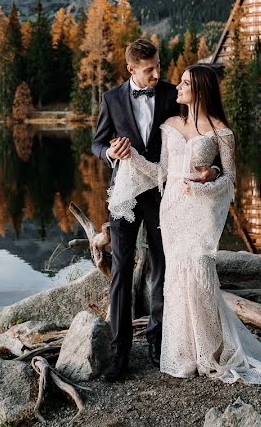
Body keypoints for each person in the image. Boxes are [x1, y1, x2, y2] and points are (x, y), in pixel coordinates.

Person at [108, 64, 261, 383]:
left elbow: (231, 177)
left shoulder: (222, 131)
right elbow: (161, 174)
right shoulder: (170, 126)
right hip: (173, 211)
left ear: (201, 90)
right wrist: (131, 159)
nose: (176, 86)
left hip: (200, 210)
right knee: (176, 279)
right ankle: (184, 352)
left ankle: (214, 350)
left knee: (201, 273)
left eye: (184, 83)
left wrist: (213, 176)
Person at [91, 39, 216, 381]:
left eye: (159, 66)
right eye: (150, 70)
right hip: (126, 195)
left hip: (164, 193)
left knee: (163, 268)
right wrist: (109, 154)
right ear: (131, 69)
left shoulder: (169, 95)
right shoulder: (111, 99)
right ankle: (119, 356)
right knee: (120, 273)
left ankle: (159, 342)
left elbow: (197, 133)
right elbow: (97, 143)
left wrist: (213, 170)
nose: (158, 74)